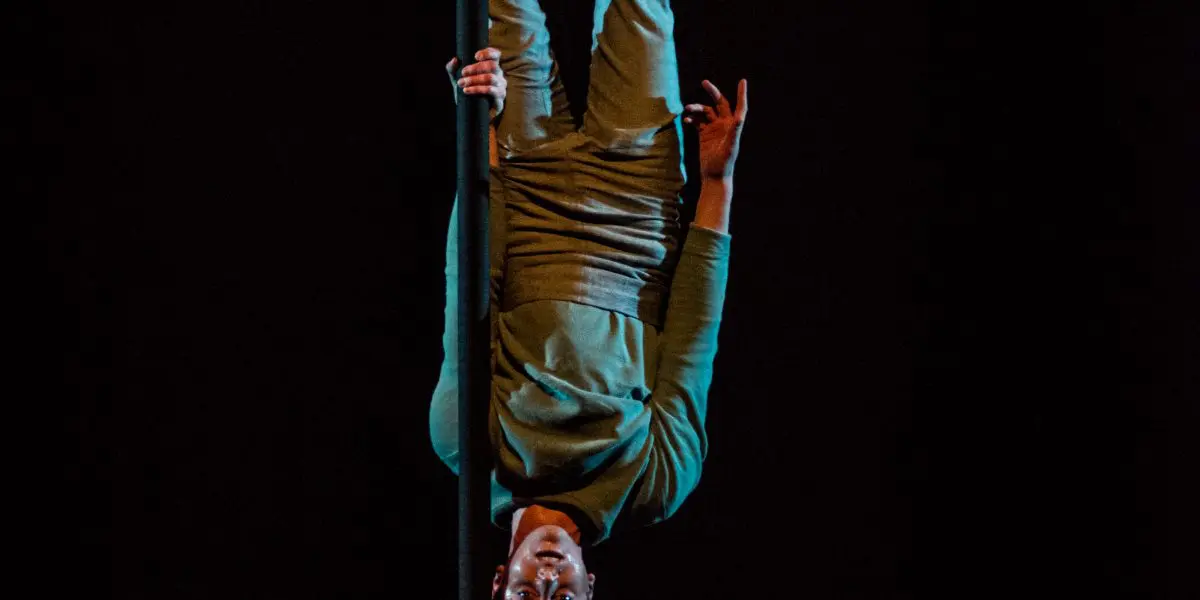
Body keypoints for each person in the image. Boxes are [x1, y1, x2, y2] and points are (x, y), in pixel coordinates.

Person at [430, 1, 748, 597]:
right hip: (635, 212)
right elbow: (693, 337)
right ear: (590, 584)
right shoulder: (655, 485)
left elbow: (469, 285)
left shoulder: (467, 447)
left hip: (525, 191)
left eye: (528, 596)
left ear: (499, 581)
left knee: (501, 12)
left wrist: (484, 132)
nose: (548, 577)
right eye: (564, 597)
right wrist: (718, 182)